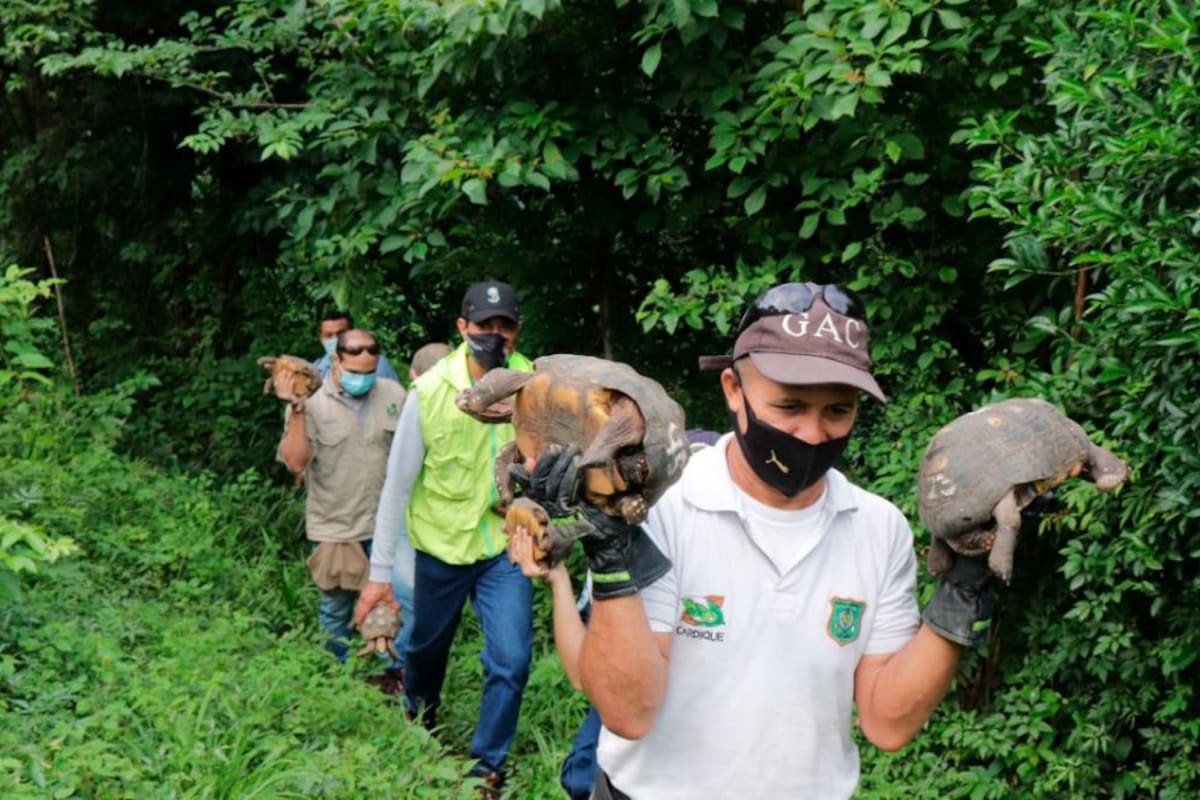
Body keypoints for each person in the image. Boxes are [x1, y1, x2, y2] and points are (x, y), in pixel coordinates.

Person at [521, 283, 993, 799]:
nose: (812, 434)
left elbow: (887, 722)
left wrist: (963, 587)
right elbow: (629, 711)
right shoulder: (663, 508)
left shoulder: (877, 528)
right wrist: (610, 554)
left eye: (838, 410)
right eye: (789, 405)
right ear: (732, 389)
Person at [355, 281, 535, 798]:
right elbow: (397, 487)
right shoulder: (431, 392)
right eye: (484, 326)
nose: (494, 336)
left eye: (505, 326)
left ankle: (487, 768)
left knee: (512, 659)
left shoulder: (535, 384)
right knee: (427, 652)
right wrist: (379, 576)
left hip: (503, 549)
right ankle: (420, 723)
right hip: (439, 549)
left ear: (516, 330)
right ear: (462, 328)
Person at [509, 428, 724, 800]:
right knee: (582, 777)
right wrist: (558, 578)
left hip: (705, 758)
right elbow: (581, 673)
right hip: (628, 746)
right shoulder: (620, 545)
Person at [275, 328, 408, 664]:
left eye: (369, 373)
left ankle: (391, 678)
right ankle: (339, 677)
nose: (362, 380)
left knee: (392, 609)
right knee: (335, 611)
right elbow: (295, 462)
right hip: (335, 526)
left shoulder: (394, 394)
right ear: (335, 360)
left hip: (387, 525)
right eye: (353, 373)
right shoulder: (311, 404)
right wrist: (296, 409)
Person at [364, 340, 457, 696]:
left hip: (429, 520)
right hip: (408, 516)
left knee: (409, 594)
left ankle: (401, 670)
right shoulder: (409, 406)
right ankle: (398, 668)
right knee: (405, 592)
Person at [313, 310, 399, 382]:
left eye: (341, 333)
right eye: (328, 335)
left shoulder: (378, 364)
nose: (335, 339)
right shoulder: (314, 369)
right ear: (321, 338)